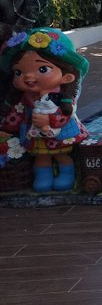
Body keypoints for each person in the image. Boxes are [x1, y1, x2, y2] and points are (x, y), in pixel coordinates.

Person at [0, 29, 89, 192]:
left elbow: (66, 114)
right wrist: (7, 126)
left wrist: (51, 120)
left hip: (59, 135)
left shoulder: (62, 97)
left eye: (42, 69)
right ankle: (43, 176)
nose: (28, 77)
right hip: (34, 135)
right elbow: (17, 113)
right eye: (19, 72)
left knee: (62, 156)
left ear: (67, 76)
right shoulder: (26, 98)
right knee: (41, 158)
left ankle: (66, 174)